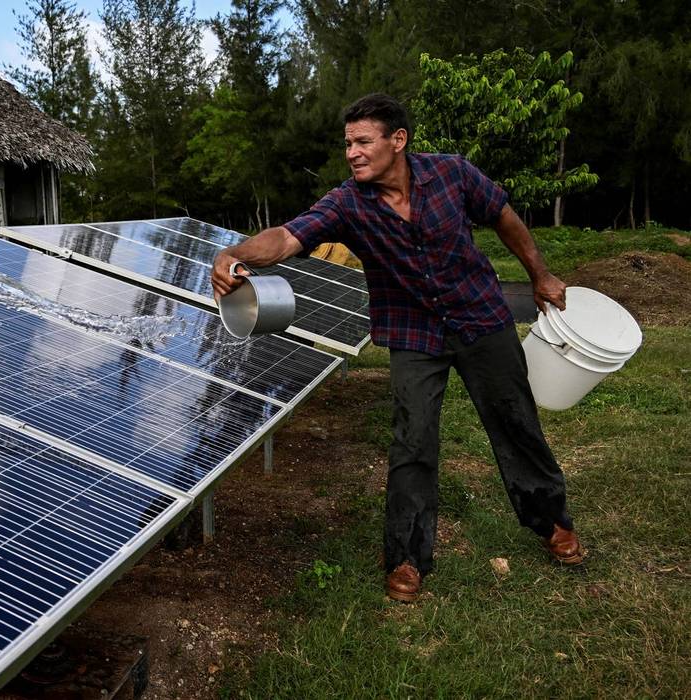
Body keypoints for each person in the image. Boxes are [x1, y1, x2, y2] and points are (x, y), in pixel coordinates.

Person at [211, 93, 584, 603]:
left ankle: (552, 523)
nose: (353, 153)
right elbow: (286, 238)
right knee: (413, 443)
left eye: (363, 141)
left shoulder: (451, 174)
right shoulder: (347, 203)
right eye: (348, 144)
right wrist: (232, 253)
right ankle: (408, 558)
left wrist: (540, 273)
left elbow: (503, 215)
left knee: (515, 422)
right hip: (413, 334)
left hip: (481, 317)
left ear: (397, 140)